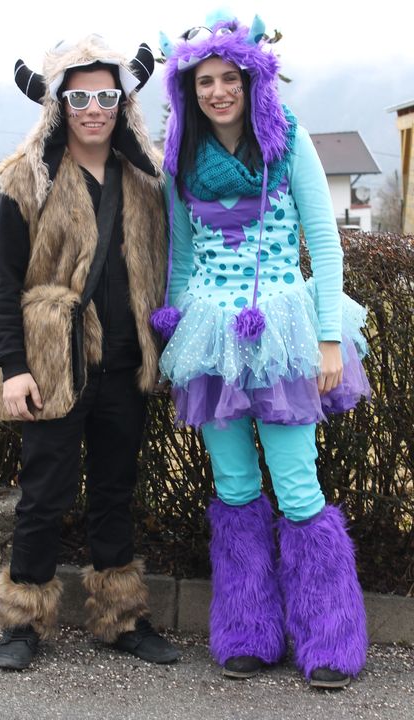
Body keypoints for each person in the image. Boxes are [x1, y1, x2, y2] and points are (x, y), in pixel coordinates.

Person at [152, 14, 371, 688]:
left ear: (252, 80)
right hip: (211, 340)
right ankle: (247, 629)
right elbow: (181, 261)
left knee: (297, 483)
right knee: (235, 485)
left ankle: (330, 639)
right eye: (204, 81)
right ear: (188, 90)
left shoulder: (289, 140)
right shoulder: (180, 157)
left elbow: (324, 244)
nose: (218, 91)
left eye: (230, 78)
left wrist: (328, 340)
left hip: (282, 332)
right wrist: (181, 342)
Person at [0, 33, 179, 670]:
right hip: (53, 368)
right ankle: (22, 620)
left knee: (115, 491)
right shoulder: (27, 179)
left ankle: (120, 618)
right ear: (60, 105)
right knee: (44, 494)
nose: (94, 110)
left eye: (105, 97)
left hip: (127, 366)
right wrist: (13, 368)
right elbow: (4, 284)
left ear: (123, 102)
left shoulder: (147, 177)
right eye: (79, 98)